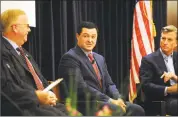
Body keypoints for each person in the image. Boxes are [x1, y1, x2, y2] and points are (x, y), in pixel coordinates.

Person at [58, 21, 145, 116]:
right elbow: (81, 88)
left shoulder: (99, 58)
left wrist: (118, 98)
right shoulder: (70, 58)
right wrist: (109, 100)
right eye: (86, 36)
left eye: (93, 36)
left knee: (136, 109)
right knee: (115, 109)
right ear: (78, 36)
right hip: (84, 104)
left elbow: (109, 84)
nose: (90, 40)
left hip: (104, 102)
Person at [0, 9, 68, 116]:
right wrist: (37, 96)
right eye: (26, 25)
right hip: (25, 107)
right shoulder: (2, 52)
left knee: (75, 113)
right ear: (15, 28)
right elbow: (10, 88)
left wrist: (49, 93)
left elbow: (40, 79)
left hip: (41, 103)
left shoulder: (24, 53)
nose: (29, 30)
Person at [140, 25, 178, 116]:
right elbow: (145, 85)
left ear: (176, 43)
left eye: (169, 40)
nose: (165, 42)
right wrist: (169, 89)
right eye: (163, 38)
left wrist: (175, 77)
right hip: (162, 100)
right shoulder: (148, 60)